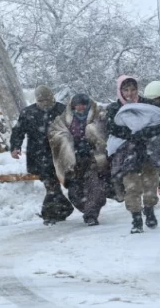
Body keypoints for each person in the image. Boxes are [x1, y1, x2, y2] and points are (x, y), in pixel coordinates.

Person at [107, 75, 160, 234]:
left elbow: (159, 123)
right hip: (126, 154)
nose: (130, 93)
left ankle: (149, 210)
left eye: (133, 89)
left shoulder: (148, 105)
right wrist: (131, 134)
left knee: (150, 184)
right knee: (131, 187)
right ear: (120, 91)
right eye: (125, 90)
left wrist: (145, 132)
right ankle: (136, 218)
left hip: (149, 151)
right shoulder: (114, 109)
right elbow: (111, 127)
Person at [10, 86, 74, 225]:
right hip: (39, 156)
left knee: (57, 184)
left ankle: (61, 210)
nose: (44, 103)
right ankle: (51, 213)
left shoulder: (62, 110)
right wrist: (15, 147)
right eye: (40, 100)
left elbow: (75, 129)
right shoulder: (28, 113)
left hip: (60, 153)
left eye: (46, 100)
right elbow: (18, 131)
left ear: (52, 98)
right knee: (51, 185)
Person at [48, 94, 109, 226]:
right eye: (77, 105)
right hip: (74, 161)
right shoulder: (64, 119)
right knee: (75, 192)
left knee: (95, 186)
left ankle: (91, 214)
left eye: (83, 104)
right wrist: (67, 141)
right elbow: (55, 133)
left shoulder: (99, 115)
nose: (80, 107)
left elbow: (103, 132)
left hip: (93, 159)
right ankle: (88, 208)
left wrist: (91, 134)